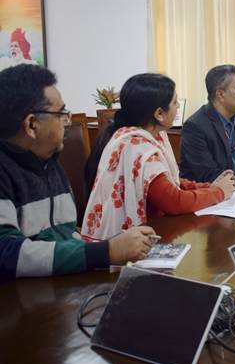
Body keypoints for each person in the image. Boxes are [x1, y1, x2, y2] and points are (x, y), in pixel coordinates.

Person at [0, 65, 153, 282]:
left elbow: (65, 236)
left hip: (63, 285)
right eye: (61, 114)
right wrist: (107, 251)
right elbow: (6, 253)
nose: (68, 121)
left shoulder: (49, 163)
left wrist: (114, 245)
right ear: (32, 125)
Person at [83, 73, 235, 239]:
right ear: (159, 114)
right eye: (175, 102)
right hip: (122, 242)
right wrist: (218, 192)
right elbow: (173, 201)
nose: (178, 106)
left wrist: (210, 187)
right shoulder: (137, 146)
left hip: (154, 226)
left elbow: (171, 181)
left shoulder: (153, 135)